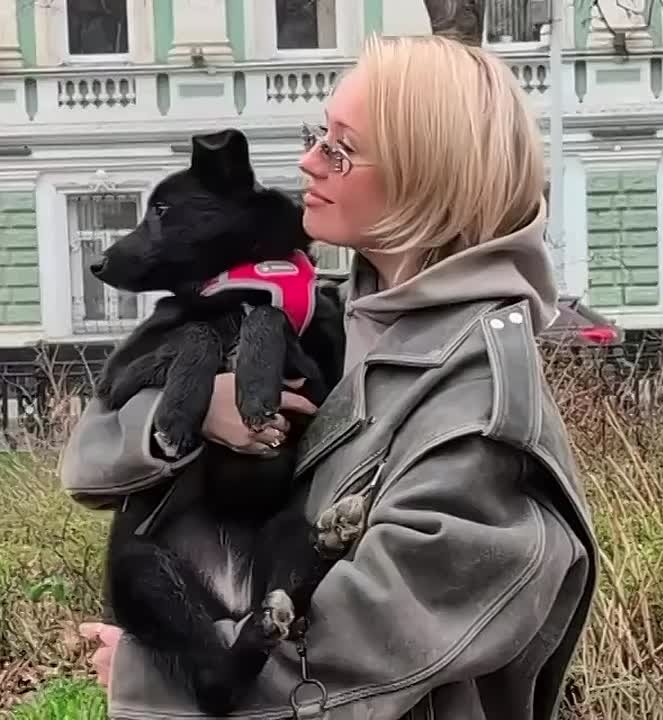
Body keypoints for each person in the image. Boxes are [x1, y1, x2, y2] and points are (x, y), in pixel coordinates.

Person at [61, 33, 597, 720]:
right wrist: (197, 410)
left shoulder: (480, 401)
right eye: (317, 134)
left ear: (423, 179)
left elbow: (382, 637)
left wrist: (152, 678)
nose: (308, 160)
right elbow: (89, 463)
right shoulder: (328, 315)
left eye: (341, 148)